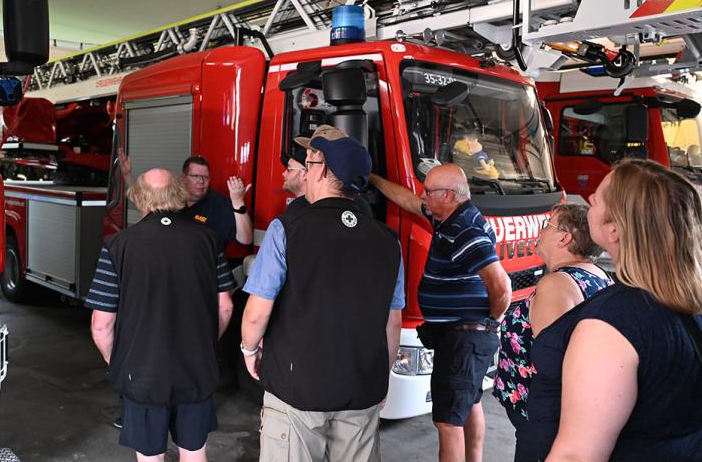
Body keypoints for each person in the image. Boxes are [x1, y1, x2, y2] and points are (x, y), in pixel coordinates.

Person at [241, 134, 405, 461]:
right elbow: (393, 322)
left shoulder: (287, 229)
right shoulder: (389, 240)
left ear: (320, 170)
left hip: (296, 389)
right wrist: (380, 376)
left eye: (310, 163)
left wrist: (248, 350)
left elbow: (257, 313)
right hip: (362, 389)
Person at [526, 159, 702, 461]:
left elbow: (576, 455)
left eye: (600, 197)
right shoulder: (685, 300)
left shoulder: (610, 326)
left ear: (615, 231)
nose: (590, 198)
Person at [87, 168, 236, 462]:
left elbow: (101, 326)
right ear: (179, 195)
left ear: (139, 199)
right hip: (196, 369)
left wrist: (118, 360)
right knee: (195, 454)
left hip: (142, 374)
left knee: (150, 458)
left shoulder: (117, 246)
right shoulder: (208, 240)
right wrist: (204, 346)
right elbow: (226, 306)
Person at [370, 165, 512, 462]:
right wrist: (371, 177)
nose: (423, 196)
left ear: (447, 195)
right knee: (470, 403)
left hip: (464, 337)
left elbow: (501, 285)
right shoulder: (451, 217)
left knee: (447, 421)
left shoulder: (464, 230)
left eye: (429, 191)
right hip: (466, 336)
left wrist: (491, 320)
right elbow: (408, 200)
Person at [492, 203, 611, 461]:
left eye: (548, 225)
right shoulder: (597, 274)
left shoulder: (556, 284)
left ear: (564, 237)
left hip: (545, 423)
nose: (541, 230)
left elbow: (553, 364)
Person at [117, 150, 252, 250]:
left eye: (205, 177)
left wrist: (238, 203)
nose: (201, 181)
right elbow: (142, 200)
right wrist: (127, 174)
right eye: (195, 176)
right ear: (183, 177)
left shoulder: (220, 204)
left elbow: (246, 239)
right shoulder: (172, 197)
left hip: (205, 268)